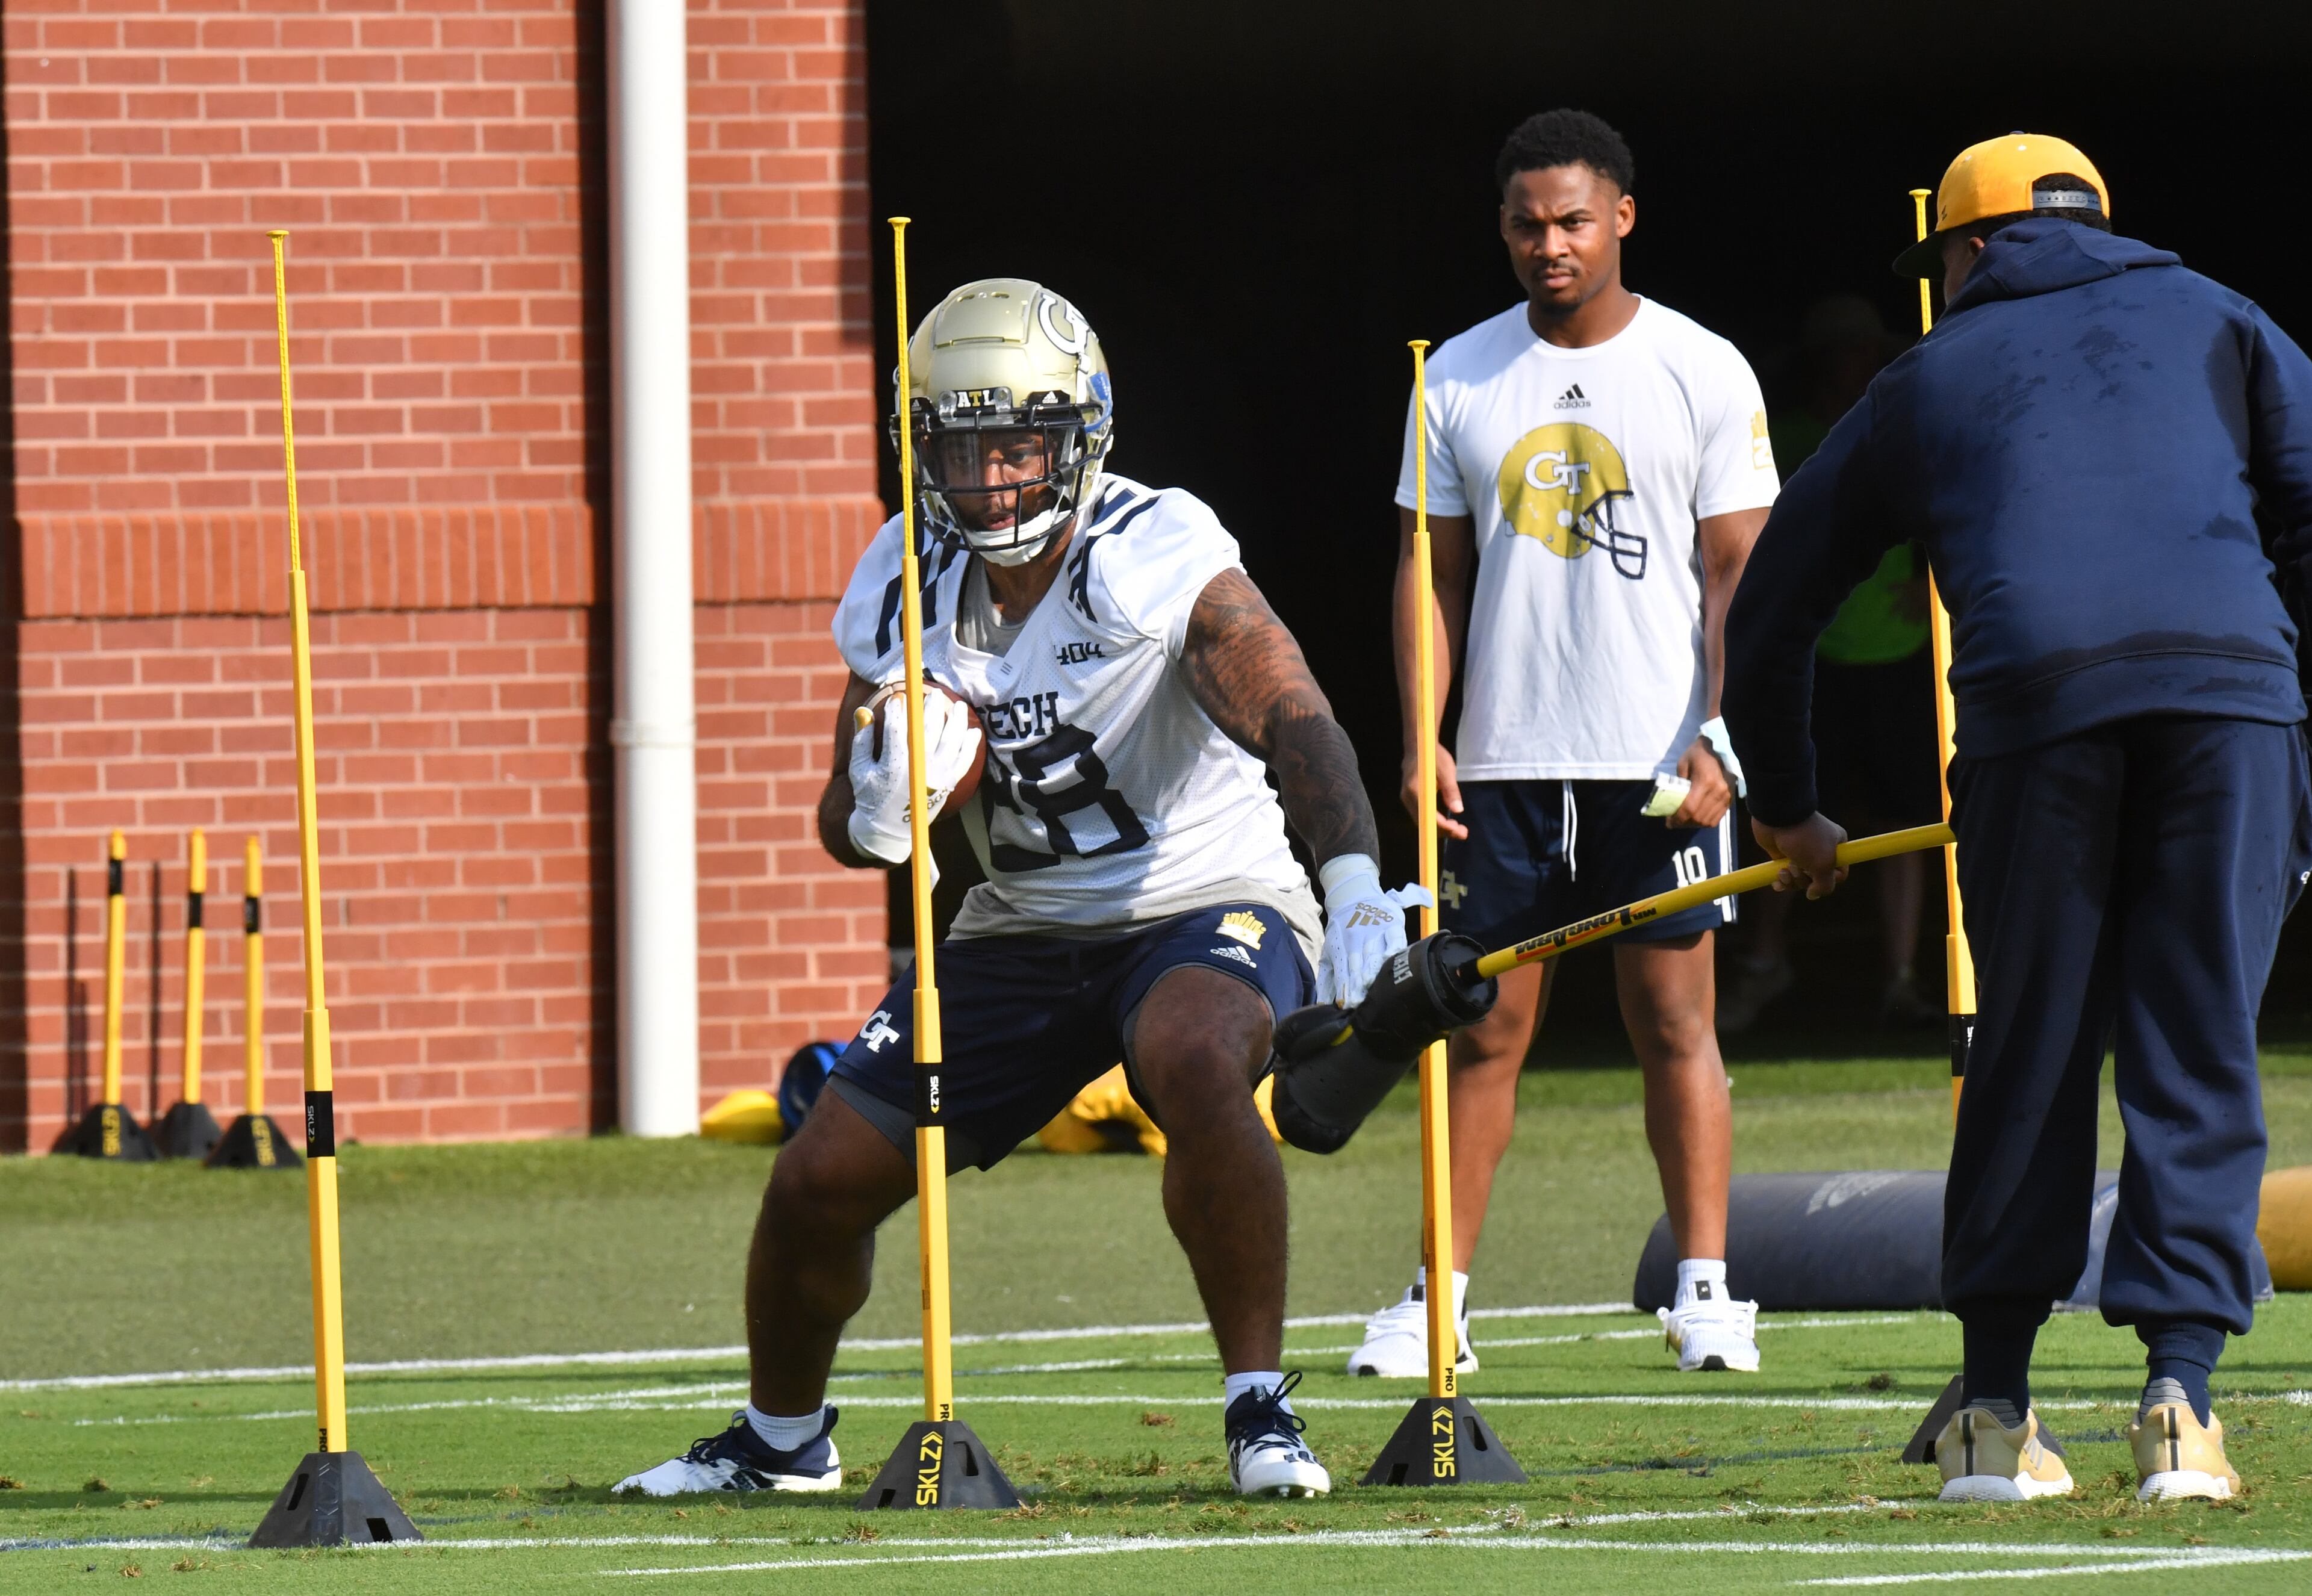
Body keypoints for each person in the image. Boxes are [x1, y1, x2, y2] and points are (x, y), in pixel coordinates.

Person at [615, 278, 1419, 1501]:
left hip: (1200, 891)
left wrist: (1355, 879)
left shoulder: (1151, 546)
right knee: (818, 1173)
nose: (989, 477)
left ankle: (1261, 1410)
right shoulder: (903, 568)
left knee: (1196, 1054)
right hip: (1019, 924)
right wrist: (881, 795)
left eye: (1017, 444)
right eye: (960, 445)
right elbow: (843, 823)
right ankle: (781, 1437)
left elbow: (1294, 711)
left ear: (1080, 434)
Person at [1723, 133, 2312, 1504]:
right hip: (2229, 716)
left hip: (2027, 720)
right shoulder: (2224, 316)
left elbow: (1770, 608)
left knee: (2027, 1053)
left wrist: (1791, 806)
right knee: (2195, 1045)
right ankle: (2177, 1408)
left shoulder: (1922, 374)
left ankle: (1992, 1411)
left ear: (1968, 247)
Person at [1349, 109, 1777, 1382]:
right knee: (1479, 1028)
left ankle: (1705, 1289)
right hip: (1505, 763)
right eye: (1529, 223)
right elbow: (1432, 571)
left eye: (1574, 221)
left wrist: (1727, 735)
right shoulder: (1459, 375)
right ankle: (1442, 1297)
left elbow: (1739, 568)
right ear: (1503, 225)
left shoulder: (1703, 367)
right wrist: (1422, 734)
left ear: (1622, 220)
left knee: (1674, 1020)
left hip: (1659, 766)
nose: (1552, 244)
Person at [1720, 297, 1941, 1033]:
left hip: (1899, 650)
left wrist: (1930, 572)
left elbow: (1951, 501)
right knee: (1785, 814)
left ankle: (1903, 975)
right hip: (1813, 657)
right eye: (1844, 349)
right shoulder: (1788, 436)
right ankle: (1764, 963)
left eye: (1866, 347)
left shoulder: (1905, 419)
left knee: (1906, 817)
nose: (1858, 361)